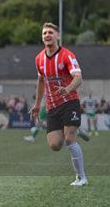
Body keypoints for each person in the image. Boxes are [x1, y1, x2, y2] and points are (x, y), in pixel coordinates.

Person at [31, 23, 88, 186]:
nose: (47, 35)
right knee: (55, 145)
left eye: (50, 32)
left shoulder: (67, 55)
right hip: (52, 106)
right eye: (44, 33)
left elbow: (78, 78)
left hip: (70, 101)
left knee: (69, 139)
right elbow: (41, 81)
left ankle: (81, 177)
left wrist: (67, 89)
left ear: (58, 36)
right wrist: (36, 105)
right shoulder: (39, 58)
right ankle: (74, 127)